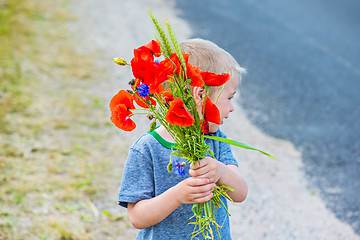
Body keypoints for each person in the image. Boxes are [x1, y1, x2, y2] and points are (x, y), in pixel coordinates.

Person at [118, 39, 248, 239]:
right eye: (229, 98)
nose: (232, 108)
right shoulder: (147, 148)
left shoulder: (216, 140)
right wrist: (177, 196)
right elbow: (137, 216)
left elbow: (240, 193)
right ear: (200, 94)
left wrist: (220, 170)